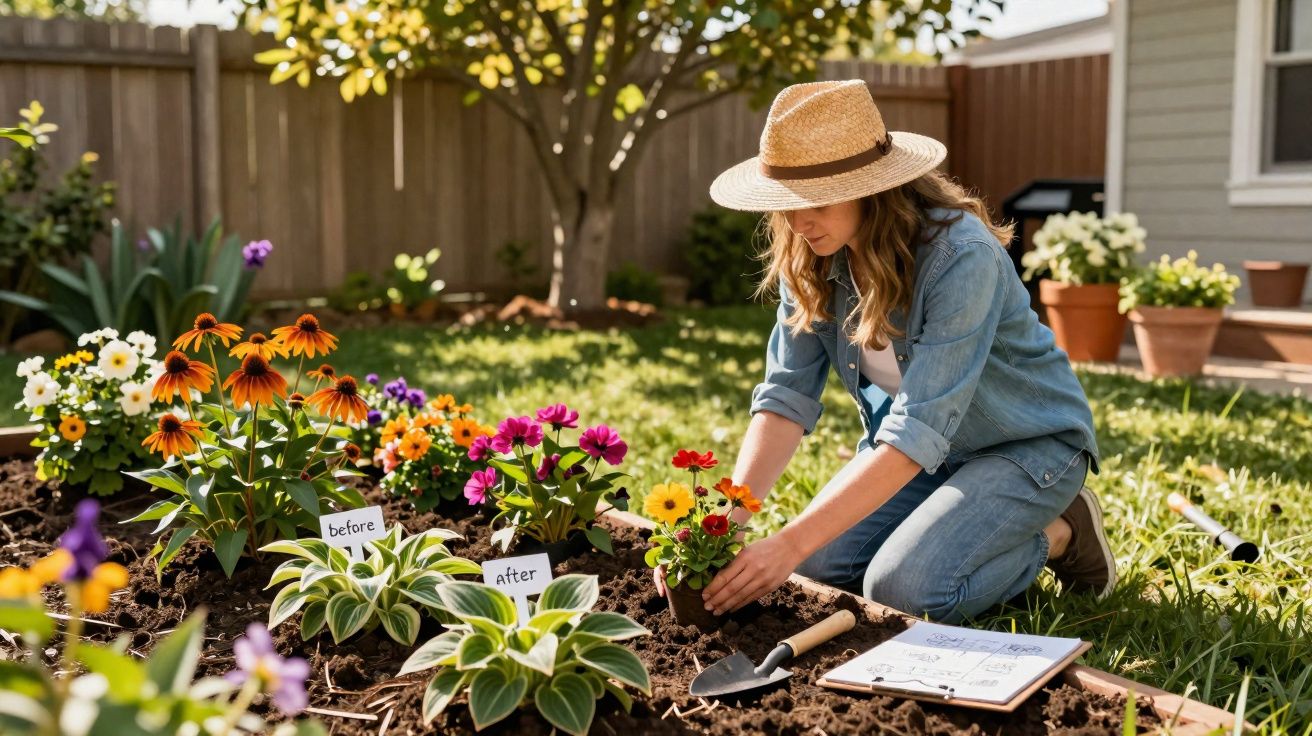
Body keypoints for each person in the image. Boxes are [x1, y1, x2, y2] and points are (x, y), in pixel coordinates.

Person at [687, 80, 1116, 624]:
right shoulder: (811, 254)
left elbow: (918, 425)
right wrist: (729, 519)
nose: (798, 223)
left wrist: (787, 543)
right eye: (786, 204)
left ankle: (1060, 533)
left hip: (1025, 448)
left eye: (816, 200)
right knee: (815, 571)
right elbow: (785, 398)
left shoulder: (960, 255)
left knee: (903, 591)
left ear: (871, 187)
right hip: (922, 453)